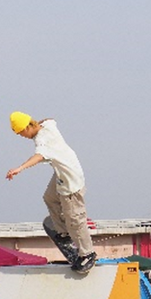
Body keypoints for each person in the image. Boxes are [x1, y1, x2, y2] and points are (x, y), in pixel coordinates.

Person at [6, 112, 96, 274]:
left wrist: (19, 168)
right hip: (62, 173)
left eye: (21, 133)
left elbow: (38, 156)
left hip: (70, 181)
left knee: (75, 219)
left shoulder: (42, 141)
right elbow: (50, 119)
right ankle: (63, 232)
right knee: (50, 197)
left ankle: (87, 254)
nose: (22, 137)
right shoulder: (47, 126)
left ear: (27, 127)